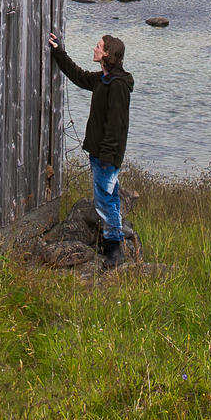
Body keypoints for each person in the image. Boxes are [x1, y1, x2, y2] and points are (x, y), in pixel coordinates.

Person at [48, 30, 135, 269]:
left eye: (98, 46)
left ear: (108, 54)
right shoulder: (103, 79)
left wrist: (107, 157)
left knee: (105, 201)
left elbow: (116, 126)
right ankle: (113, 246)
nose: (94, 49)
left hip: (106, 156)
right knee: (109, 199)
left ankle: (114, 251)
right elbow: (78, 76)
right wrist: (58, 52)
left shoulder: (117, 85)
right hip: (100, 153)